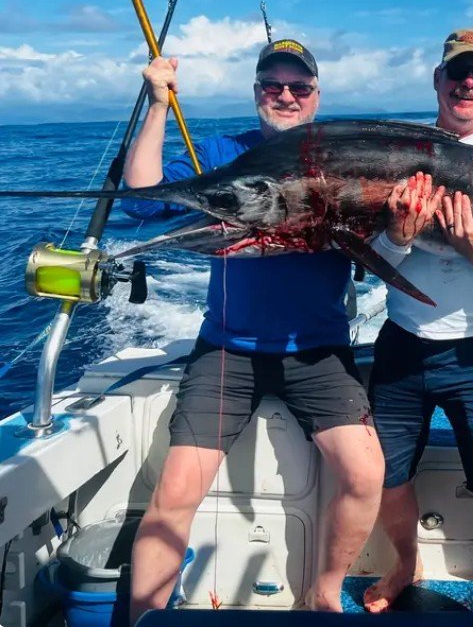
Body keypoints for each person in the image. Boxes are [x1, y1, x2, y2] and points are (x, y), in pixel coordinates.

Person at [122, 40, 385, 621]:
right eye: (273, 85)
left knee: (366, 475)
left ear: (317, 97)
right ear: (257, 92)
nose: (285, 96)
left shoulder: (341, 158)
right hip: (227, 351)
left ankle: (324, 592)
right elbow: (143, 201)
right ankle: (144, 618)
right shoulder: (223, 153)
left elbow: (392, 234)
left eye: (299, 87)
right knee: (173, 498)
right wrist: (158, 104)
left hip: (317, 352)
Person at [363, 29, 473, 614]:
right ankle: (404, 568)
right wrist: (396, 237)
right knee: (386, 479)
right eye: (457, 73)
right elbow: (370, 262)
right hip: (403, 345)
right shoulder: (397, 155)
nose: (469, 83)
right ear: (437, 80)